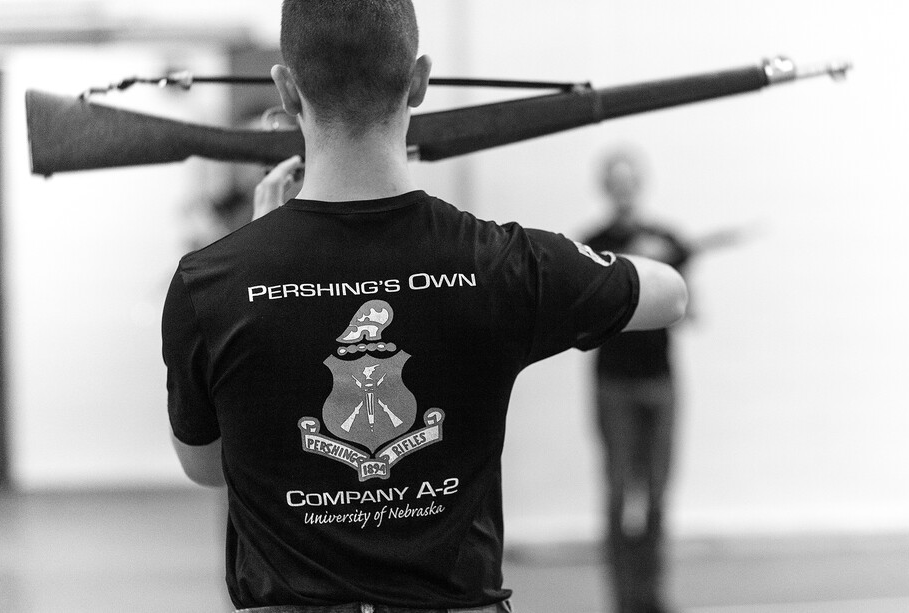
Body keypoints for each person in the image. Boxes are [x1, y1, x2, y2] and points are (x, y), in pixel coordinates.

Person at [160, 1, 688, 612]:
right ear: (419, 81)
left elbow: (206, 466)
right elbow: (668, 292)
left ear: (285, 88)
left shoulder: (211, 282)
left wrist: (259, 243)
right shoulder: (499, 263)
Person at [582, 149, 692, 613]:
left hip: (660, 380)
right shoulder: (591, 245)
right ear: (607, 187)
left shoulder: (668, 239)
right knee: (618, 490)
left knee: (658, 492)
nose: (624, 189)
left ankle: (652, 596)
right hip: (614, 383)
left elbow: (688, 309)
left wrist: (661, 268)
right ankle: (622, 599)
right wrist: (628, 265)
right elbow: (584, 321)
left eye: (631, 180)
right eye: (616, 181)